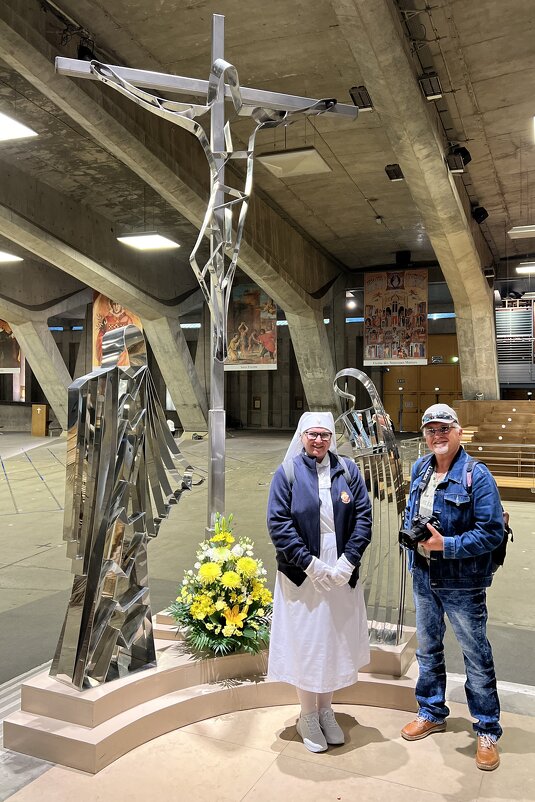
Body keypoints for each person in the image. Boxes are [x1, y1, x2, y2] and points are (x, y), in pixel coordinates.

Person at [400, 404, 503, 771]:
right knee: (428, 649)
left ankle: (487, 729)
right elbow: (415, 516)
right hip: (423, 576)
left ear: (458, 431)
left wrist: (449, 545)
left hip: (462, 581)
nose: (437, 435)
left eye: (444, 428)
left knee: (475, 655)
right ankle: (431, 710)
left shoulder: (477, 475)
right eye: (430, 430)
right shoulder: (420, 469)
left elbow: (491, 532)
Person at [267, 411, 372, 753]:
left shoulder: (349, 471)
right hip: (302, 574)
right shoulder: (287, 474)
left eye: (324, 435)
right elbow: (279, 524)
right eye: (312, 435)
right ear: (301, 437)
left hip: (340, 570)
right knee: (308, 642)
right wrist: (309, 564)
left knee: (333, 640)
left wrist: (348, 561)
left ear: (331, 439)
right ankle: (306, 714)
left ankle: (326, 710)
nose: (318, 441)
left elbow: (363, 519)